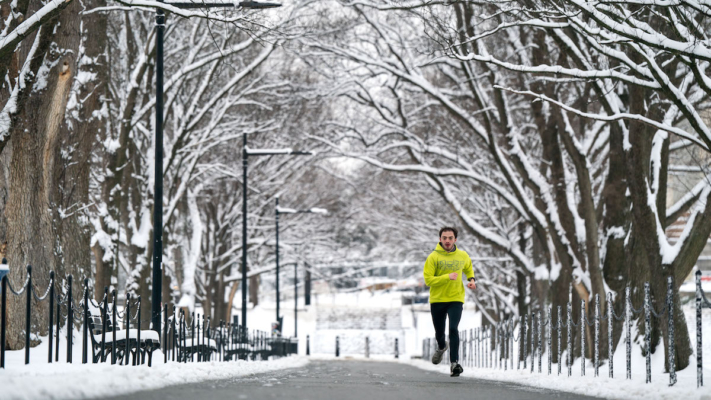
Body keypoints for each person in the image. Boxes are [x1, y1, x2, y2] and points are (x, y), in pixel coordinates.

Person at [423, 226, 476, 377]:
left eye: (450, 238)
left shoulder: (462, 255)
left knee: (453, 329)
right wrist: (447, 277)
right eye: (444, 238)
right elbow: (428, 280)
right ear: (440, 239)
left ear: (455, 240)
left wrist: (471, 280)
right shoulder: (433, 257)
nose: (447, 241)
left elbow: (468, 269)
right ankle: (441, 347)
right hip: (438, 299)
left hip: (456, 298)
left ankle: (454, 364)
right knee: (440, 332)